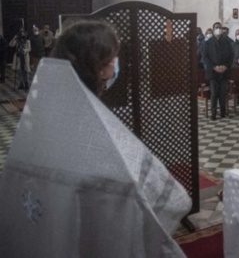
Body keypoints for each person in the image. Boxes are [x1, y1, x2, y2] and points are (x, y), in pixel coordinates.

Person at [0, 20, 191, 257]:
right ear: (99, 67)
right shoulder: (97, 132)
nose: (116, 66)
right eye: (113, 60)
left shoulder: (39, 124)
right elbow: (173, 201)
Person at [202, 22, 234, 120]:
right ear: (213, 29)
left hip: (224, 71)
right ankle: (213, 113)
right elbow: (205, 57)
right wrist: (214, 67)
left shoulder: (227, 42)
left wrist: (225, 66)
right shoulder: (207, 42)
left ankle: (223, 113)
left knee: (223, 93)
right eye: (216, 27)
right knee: (214, 93)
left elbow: (231, 56)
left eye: (219, 27)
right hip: (213, 72)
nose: (218, 29)